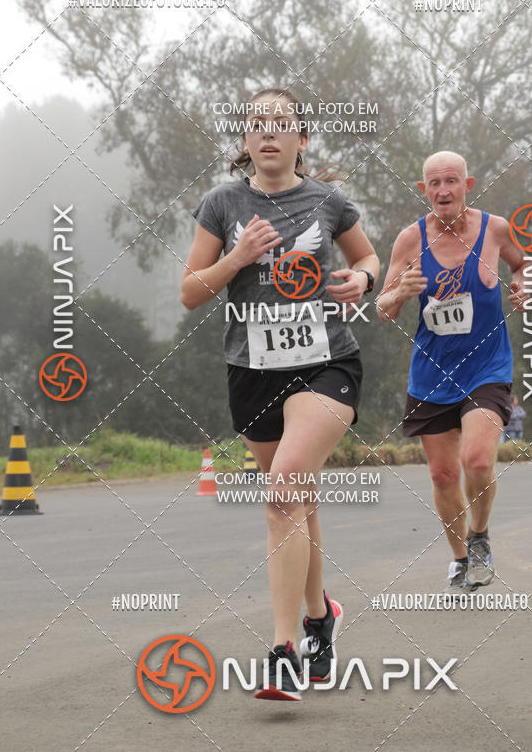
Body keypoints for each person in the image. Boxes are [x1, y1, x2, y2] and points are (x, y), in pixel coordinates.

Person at [181, 87, 379, 701]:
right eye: (257, 124)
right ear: (245, 141)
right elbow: (190, 292)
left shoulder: (327, 202)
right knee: (298, 503)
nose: (268, 133)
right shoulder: (221, 204)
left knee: (282, 492)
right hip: (252, 371)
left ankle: (284, 651)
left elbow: (368, 257)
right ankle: (321, 617)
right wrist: (236, 256)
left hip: (326, 364)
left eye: (281, 124)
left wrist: (363, 280)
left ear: (302, 138)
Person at [376, 151, 528, 596]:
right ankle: (461, 560)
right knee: (443, 476)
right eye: (434, 183)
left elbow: (523, 263)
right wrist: (399, 292)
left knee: (477, 459)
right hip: (432, 375)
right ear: (424, 190)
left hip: (487, 367)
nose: (443, 190)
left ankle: (479, 537)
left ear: (468, 184)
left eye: (451, 181)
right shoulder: (409, 241)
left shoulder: (496, 229)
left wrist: (523, 287)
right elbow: (382, 308)